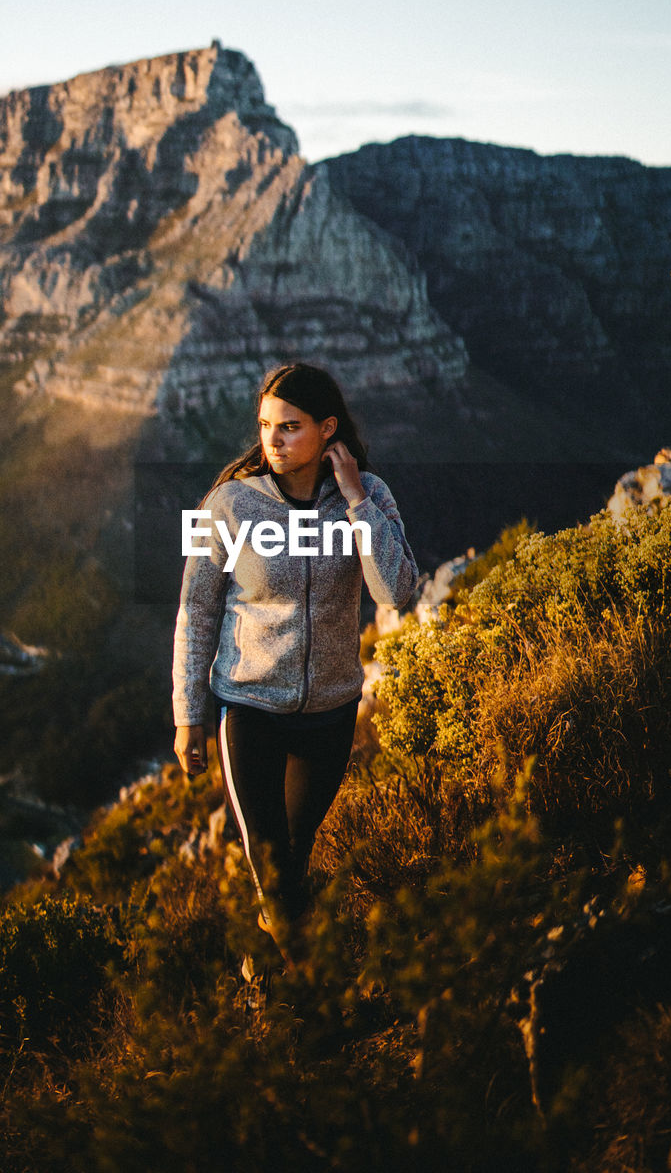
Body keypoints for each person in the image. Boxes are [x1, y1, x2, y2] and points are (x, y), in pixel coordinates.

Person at [172, 363, 418, 961]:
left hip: (331, 709)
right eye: (265, 427)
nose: (272, 442)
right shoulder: (229, 504)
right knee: (273, 865)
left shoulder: (370, 495)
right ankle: (310, 1001)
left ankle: (270, 973)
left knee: (295, 855)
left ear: (326, 428)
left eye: (289, 427)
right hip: (248, 705)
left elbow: (397, 592)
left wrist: (357, 499)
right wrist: (189, 713)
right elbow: (196, 611)